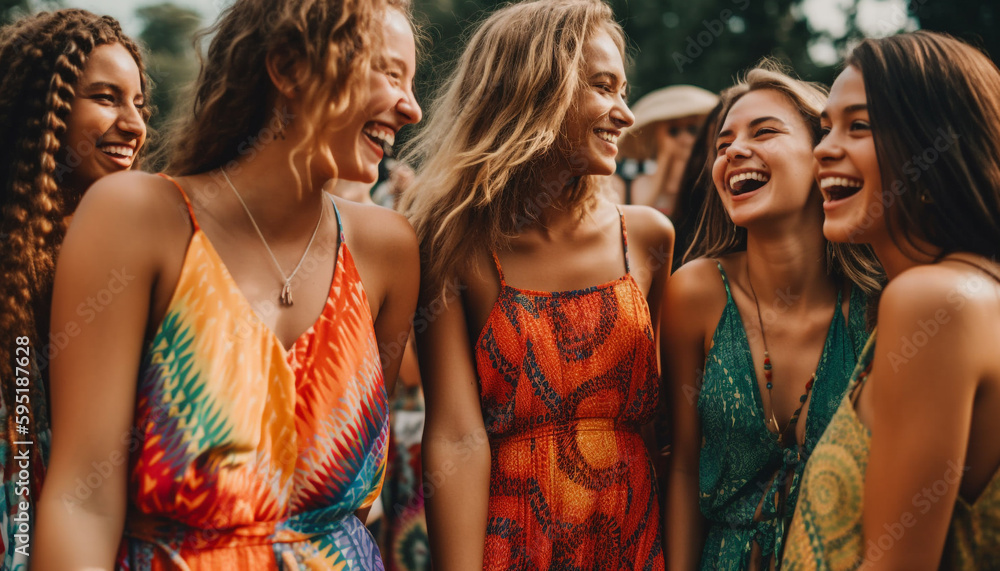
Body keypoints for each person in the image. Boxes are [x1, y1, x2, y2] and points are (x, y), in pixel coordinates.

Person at [34, 0, 421, 568]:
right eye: (389, 73)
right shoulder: (137, 217)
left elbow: (345, 512)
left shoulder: (388, 249)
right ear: (288, 68)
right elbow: (82, 501)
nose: (411, 106)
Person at [402, 0, 674, 568]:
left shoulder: (647, 238)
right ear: (535, 90)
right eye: (603, 87)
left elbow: (664, 427)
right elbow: (456, 435)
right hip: (513, 540)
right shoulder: (454, 244)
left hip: (634, 536)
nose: (624, 114)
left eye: (624, 90)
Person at [784, 31, 1000, 570]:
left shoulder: (932, 301)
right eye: (825, 127)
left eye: (859, 126)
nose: (823, 149)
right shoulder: (971, 289)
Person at [663, 62, 881, 570]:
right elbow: (683, 467)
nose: (734, 151)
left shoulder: (880, 302)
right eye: (722, 145)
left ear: (823, 155)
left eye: (765, 132)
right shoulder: (695, 292)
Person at [0, 9, 150, 567]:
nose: (134, 124)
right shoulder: (17, 264)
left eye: (138, 103)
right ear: (48, 107)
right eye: (107, 98)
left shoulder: (137, 250)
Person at [612, 85, 719, 213]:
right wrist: (665, 155)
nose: (684, 138)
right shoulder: (636, 182)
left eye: (692, 129)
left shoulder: (710, 181)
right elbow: (638, 210)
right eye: (673, 131)